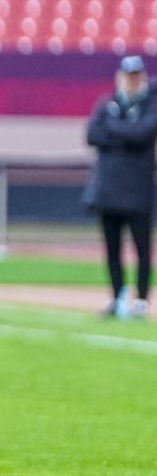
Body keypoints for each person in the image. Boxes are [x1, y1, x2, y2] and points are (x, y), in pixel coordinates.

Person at [85, 55, 157, 319]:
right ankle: (117, 298)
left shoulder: (150, 105)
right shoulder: (108, 103)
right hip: (108, 188)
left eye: (136, 75)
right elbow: (92, 135)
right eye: (128, 75)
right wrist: (126, 133)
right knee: (112, 247)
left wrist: (114, 129)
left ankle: (142, 300)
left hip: (138, 189)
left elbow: (143, 134)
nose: (132, 80)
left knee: (142, 247)